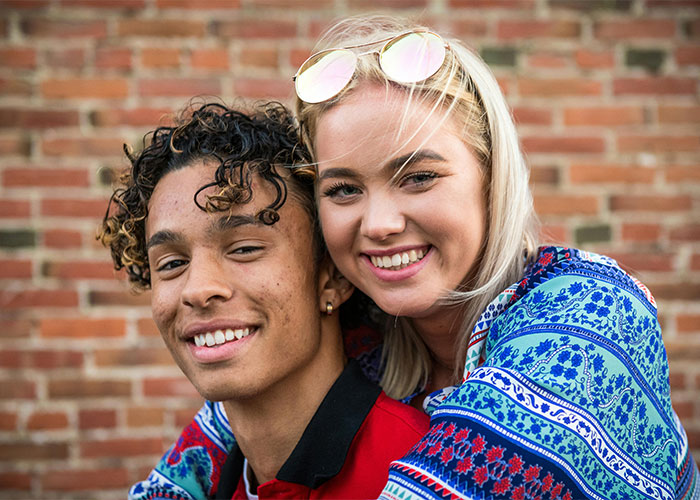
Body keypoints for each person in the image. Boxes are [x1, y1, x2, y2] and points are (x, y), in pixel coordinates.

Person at [133, 15, 700, 500]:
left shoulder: (587, 310)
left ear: (491, 177)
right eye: (344, 189)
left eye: (419, 177)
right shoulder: (369, 336)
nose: (378, 225)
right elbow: (196, 461)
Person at [98, 101, 429, 499]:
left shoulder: (422, 470)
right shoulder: (209, 482)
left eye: (244, 249)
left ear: (332, 279)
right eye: (171, 263)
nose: (197, 289)